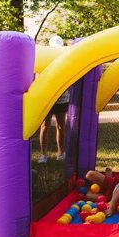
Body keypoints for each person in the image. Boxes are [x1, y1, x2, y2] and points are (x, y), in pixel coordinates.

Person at [38, 35, 69, 164]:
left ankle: (61, 153)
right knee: (45, 126)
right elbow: (38, 78)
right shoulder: (44, 61)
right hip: (47, 98)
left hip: (62, 98)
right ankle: (43, 154)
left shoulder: (66, 61)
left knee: (61, 126)